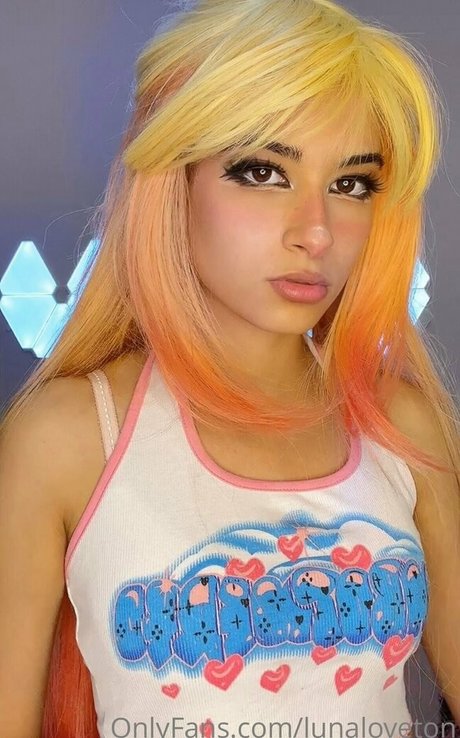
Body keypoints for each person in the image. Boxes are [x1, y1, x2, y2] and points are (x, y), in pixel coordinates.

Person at [0, 0, 459, 736]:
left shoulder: (401, 426)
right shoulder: (67, 439)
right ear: (174, 179)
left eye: (351, 185)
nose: (315, 232)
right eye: (263, 171)